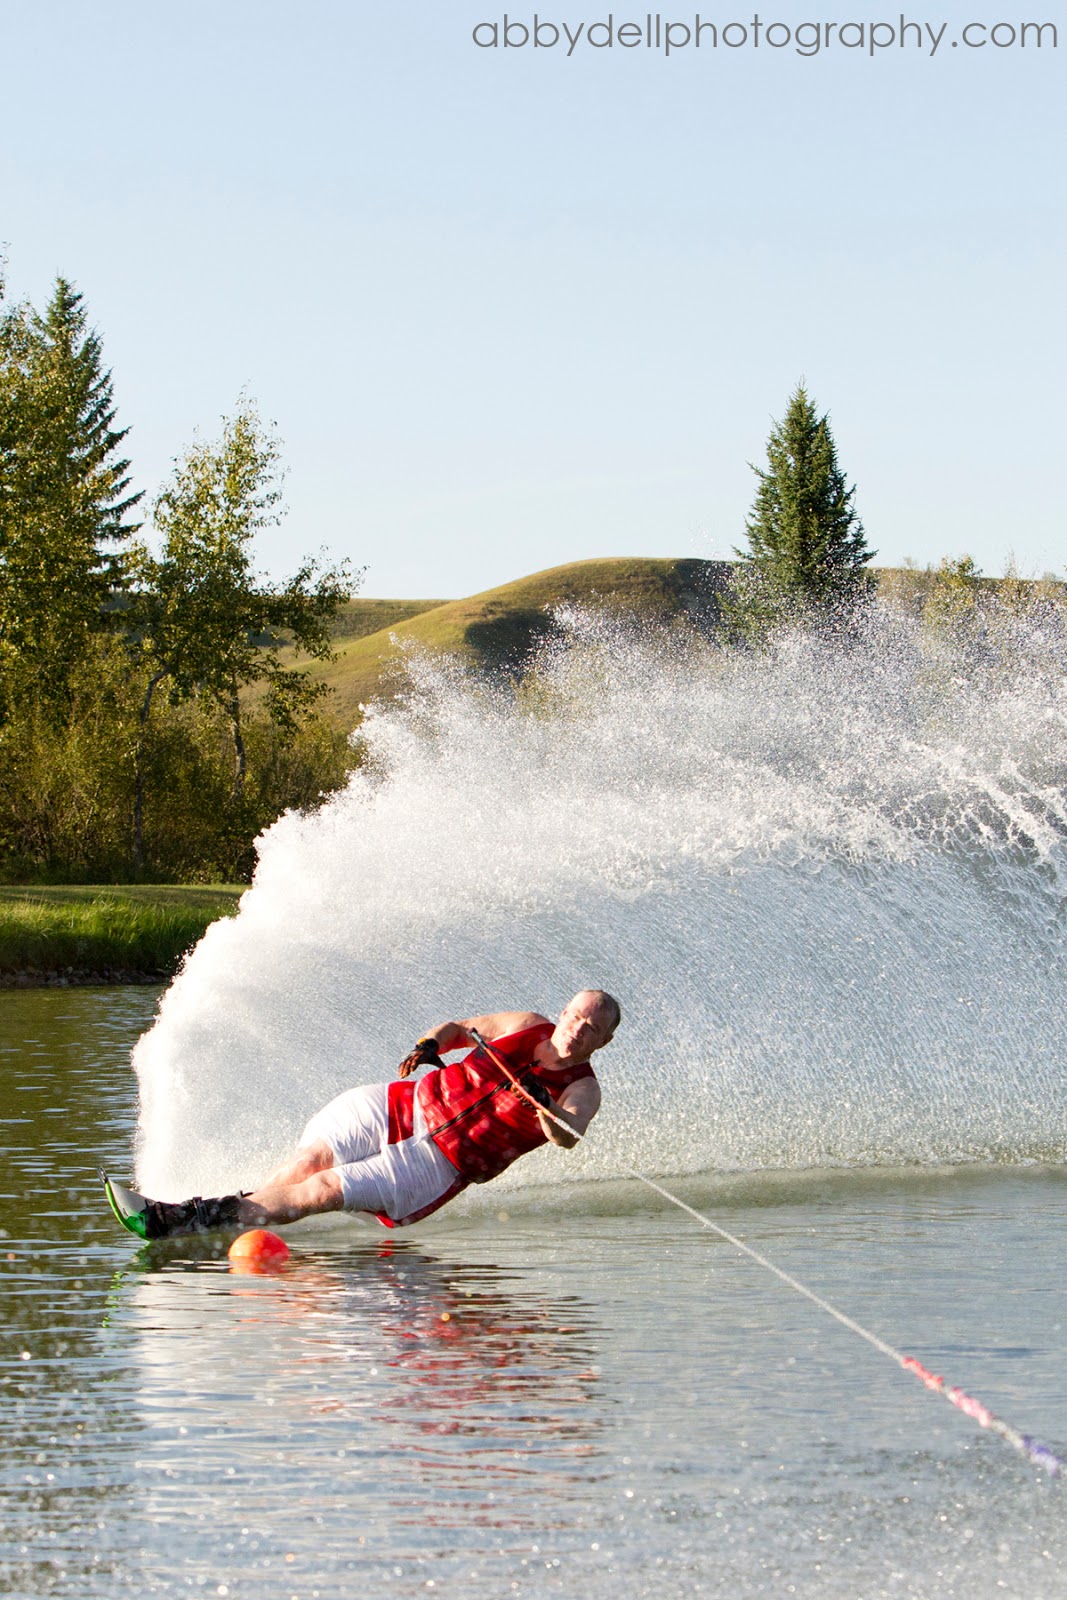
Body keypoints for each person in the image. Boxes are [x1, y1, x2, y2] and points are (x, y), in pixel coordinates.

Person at [104, 989, 621, 1241]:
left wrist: (544, 1104)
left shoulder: (582, 1088)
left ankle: (182, 1219)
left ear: (604, 1040)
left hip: (438, 1162)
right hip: (404, 1103)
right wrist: (429, 1044)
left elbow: (568, 1135)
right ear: (566, 1010)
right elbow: (460, 1028)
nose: (577, 1028)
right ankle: (229, 1225)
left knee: (324, 1189)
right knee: (305, 1166)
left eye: (591, 1028)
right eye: (576, 1015)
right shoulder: (525, 1023)